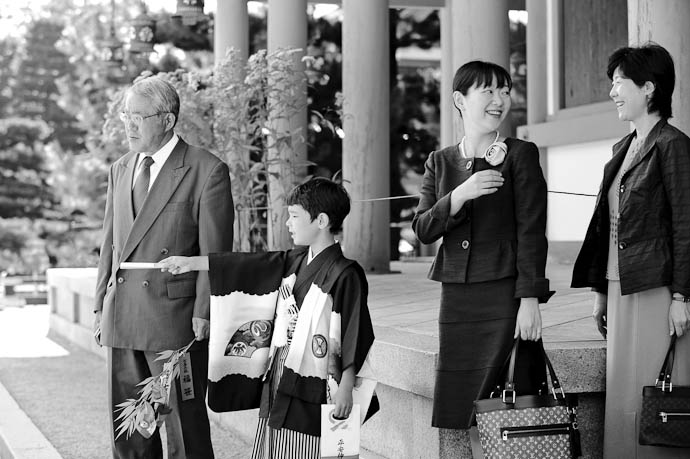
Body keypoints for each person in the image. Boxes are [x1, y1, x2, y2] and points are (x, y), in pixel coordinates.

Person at [159, 178, 376, 459]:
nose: (288, 223)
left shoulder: (346, 273)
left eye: (294, 216)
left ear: (321, 220)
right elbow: (250, 265)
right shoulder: (297, 260)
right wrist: (191, 263)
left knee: (314, 447)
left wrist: (346, 388)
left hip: (321, 375)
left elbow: (354, 334)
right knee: (277, 445)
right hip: (283, 367)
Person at [412, 60, 552, 454]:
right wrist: (460, 194)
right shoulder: (439, 161)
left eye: (505, 91)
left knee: (504, 398)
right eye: (488, 91)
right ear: (460, 99)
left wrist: (530, 299)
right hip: (456, 297)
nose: (500, 100)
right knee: (461, 400)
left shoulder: (521, 154)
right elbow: (423, 228)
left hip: (503, 293)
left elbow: (531, 231)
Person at [93, 76, 234, 459]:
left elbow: (215, 252)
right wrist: (98, 307)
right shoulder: (121, 168)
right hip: (122, 311)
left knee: (182, 423)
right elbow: (110, 243)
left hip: (176, 318)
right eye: (127, 114)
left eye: (140, 116)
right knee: (129, 427)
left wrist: (204, 311)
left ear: (168, 120)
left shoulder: (206, 170)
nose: (129, 124)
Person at [571, 43, 690, 458]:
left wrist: (681, 295)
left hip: (657, 290)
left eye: (620, 82)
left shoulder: (673, 145)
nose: (613, 91)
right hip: (621, 288)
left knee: (654, 393)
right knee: (623, 394)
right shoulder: (624, 148)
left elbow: (685, 225)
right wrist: (601, 291)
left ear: (649, 88)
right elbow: (609, 226)